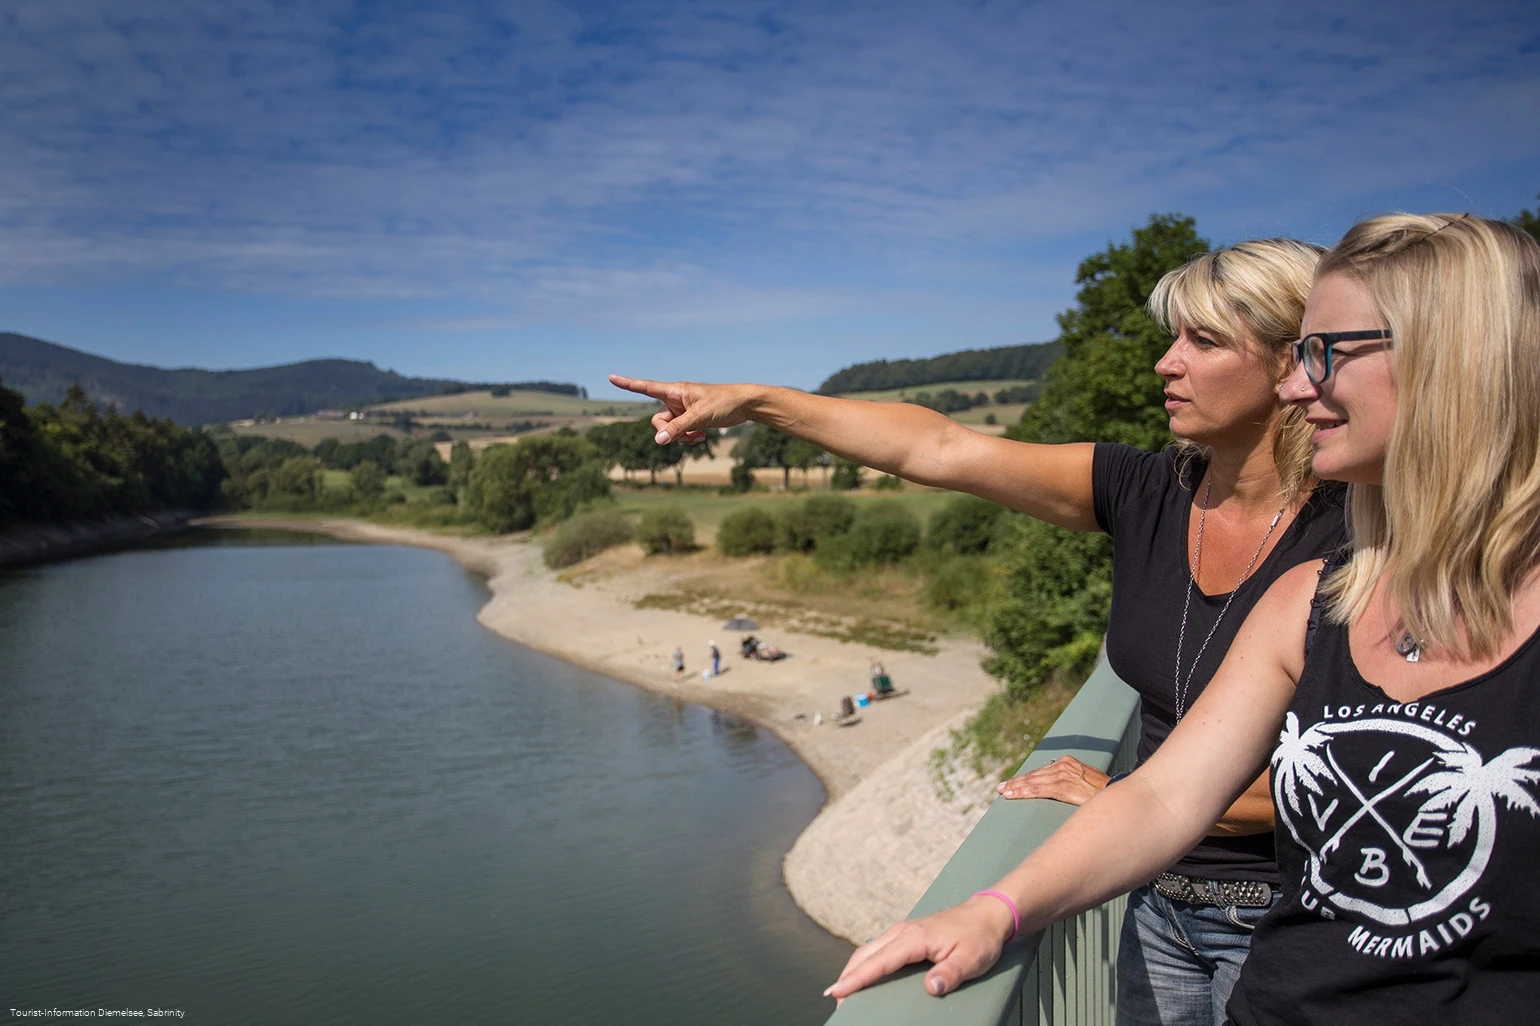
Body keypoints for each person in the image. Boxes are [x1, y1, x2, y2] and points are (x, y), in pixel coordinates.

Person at [825, 213, 1540, 1024]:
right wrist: (994, 911)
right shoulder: (1318, 597)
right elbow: (1167, 800)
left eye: (1324, 354)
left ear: (1455, 358)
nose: (1301, 388)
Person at [614, 238, 1345, 1024]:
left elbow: (1354, 779)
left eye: (1201, 342)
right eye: (1172, 338)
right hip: (1155, 903)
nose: (1166, 363)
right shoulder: (1150, 492)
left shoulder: (1356, 537)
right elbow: (938, 447)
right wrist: (756, 401)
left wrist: (1121, 792)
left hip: (1285, 918)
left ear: (1290, 364)